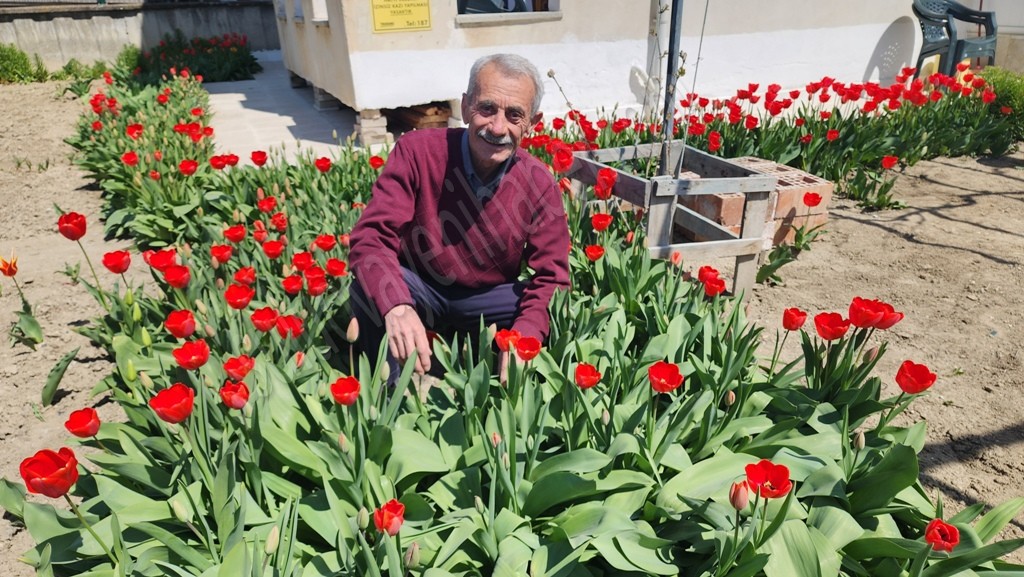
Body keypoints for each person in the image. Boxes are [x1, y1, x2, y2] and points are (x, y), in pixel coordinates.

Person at [347, 53, 570, 381]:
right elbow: (371, 237)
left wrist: (526, 336)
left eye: (514, 115)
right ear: (465, 107)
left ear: (532, 123)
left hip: (487, 298)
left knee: (549, 306)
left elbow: (552, 276)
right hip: (421, 287)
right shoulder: (417, 152)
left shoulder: (537, 183)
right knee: (371, 290)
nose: (497, 127)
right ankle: (391, 391)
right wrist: (396, 304)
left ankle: (511, 390)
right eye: (487, 108)